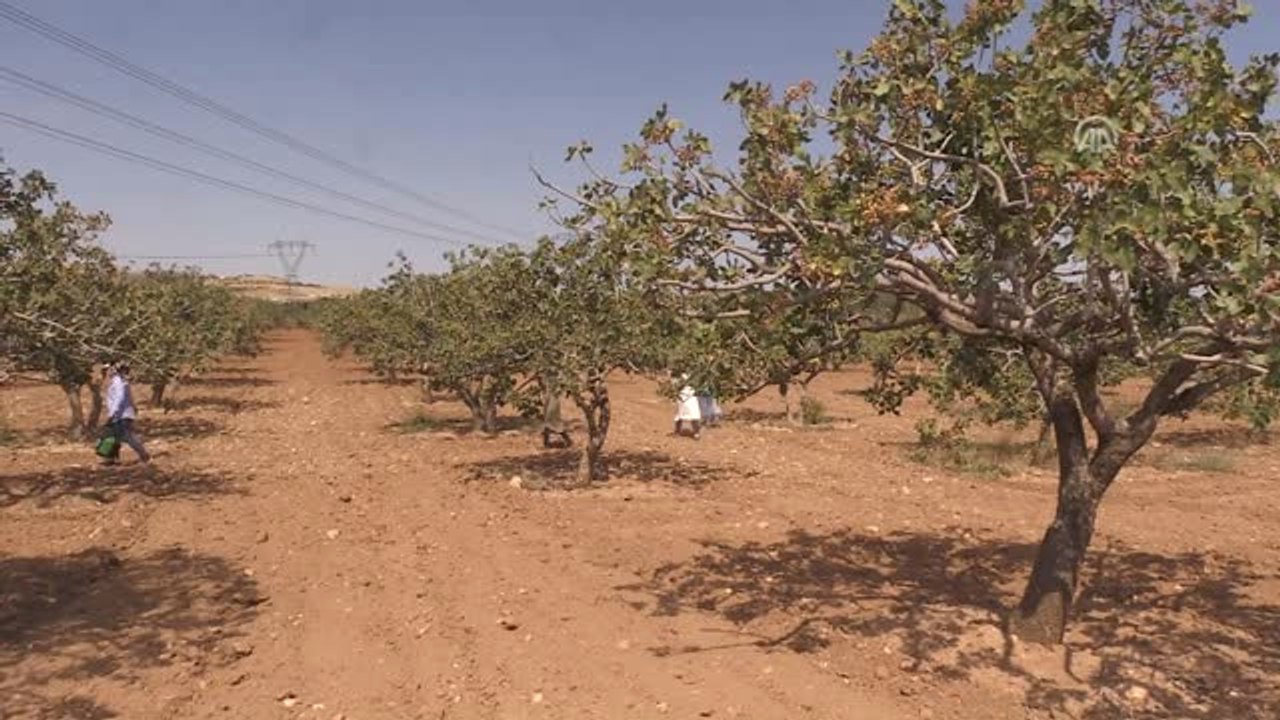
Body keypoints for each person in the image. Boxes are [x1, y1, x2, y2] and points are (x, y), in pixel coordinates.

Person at [103, 362, 151, 465]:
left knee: (127, 436)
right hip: (121, 414)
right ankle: (111, 458)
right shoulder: (121, 382)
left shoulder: (118, 382)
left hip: (121, 415)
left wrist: (113, 412)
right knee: (112, 436)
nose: (107, 372)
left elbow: (119, 397)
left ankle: (144, 455)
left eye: (108, 370)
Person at [673, 374, 702, 439]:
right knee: (680, 413)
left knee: (694, 413)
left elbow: (698, 383)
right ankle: (677, 431)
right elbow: (676, 384)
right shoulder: (679, 374)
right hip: (682, 395)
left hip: (691, 395)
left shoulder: (695, 373)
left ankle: (696, 433)